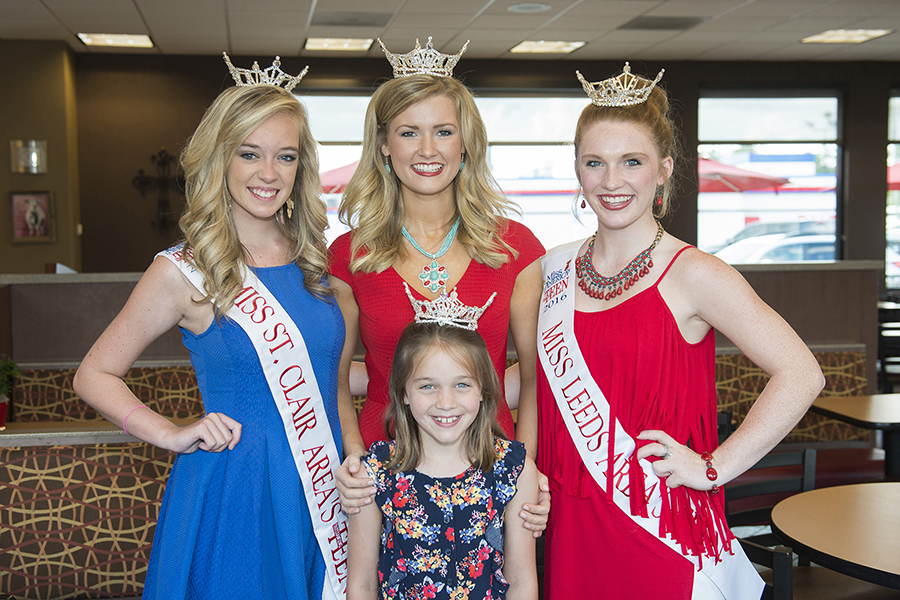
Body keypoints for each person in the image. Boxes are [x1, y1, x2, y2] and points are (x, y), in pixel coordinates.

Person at [535, 64, 826, 600]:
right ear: (577, 170)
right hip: (569, 519)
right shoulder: (551, 270)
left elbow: (801, 373)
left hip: (661, 522)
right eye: (595, 163)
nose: (612, 181)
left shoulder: (695, 273)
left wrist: (715, 469)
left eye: (632, 162)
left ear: (664, 170)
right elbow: (537, 386)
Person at [73, 56, 353, 600]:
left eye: (285, 156)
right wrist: (170, 432)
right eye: (249, 154)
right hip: (239, 490)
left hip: (327, 485)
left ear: (301, 168)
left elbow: (332, 380)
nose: (268, 173)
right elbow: (94, 374)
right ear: (219, 160)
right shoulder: (183, 269)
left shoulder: (319, 261)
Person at [330, 38, 548, 531]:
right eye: (409, 132)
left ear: (465, 142)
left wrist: (526, 466)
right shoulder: (349, 255)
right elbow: (337, 375)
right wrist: (354, 459)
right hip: (385, 473)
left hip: (493, 472)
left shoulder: (514, 247)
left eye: (443, 131)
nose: (427, 150)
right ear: (384, 144)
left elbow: (533, 377)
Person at [346, 321, 539, 600]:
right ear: (403, 393)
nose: (446, 402)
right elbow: (362, 587)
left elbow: (521, 583)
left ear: (483, 390)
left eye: (461, 384)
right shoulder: (376, 472)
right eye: (427, 386)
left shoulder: (514, 470)